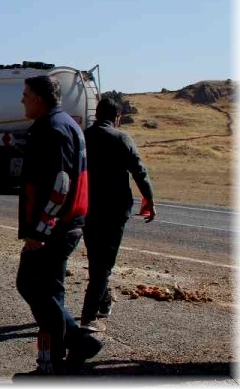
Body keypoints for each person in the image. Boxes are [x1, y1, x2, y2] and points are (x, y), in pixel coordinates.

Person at [15, 76, 100, 376]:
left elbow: (60, 185)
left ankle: (71, 346)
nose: (22, 100)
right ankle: (59, 359)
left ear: (39, 98)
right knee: (50, 292)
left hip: (56, 229)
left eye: (25, 95)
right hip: (64, 225)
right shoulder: (66, 124)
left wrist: (40, 231)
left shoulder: (51, 129)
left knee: (31, 284)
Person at [79, 97, 156, 331]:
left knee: (96, 260)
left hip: (86, 208)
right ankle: (88, 316)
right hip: (114, 210)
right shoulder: (122, 138)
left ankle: (103, 302)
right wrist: (149, 199)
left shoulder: (82, 137)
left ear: (96, 114)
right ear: (117, 117)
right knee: (104, 264)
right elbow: (139, 171)